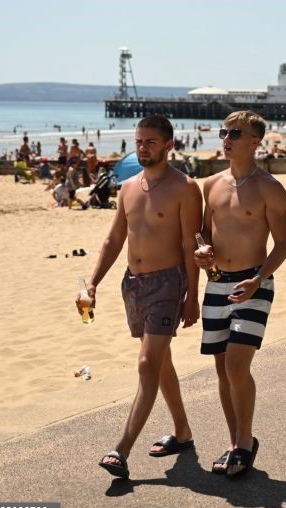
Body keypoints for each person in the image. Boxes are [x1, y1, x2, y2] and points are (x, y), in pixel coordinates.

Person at [79, 115, 203, 479]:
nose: (142, 147)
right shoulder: (128, 187)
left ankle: (121, 449)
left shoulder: (185, 187)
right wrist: (92, 283)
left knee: (147, 363)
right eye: (139, 141)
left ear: (169, 146)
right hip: (133, 284)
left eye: (150, 141)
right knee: (160, 362)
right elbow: (113, 239)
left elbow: (189, 245)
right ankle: (183, 432)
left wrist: (192, 296)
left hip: (168, 284)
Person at [195, 110, 286, 479]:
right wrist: (201, 251)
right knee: (222, 369)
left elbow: (282, 245)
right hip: (217, 282)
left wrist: (258, 278)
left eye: (236, 133)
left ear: (255, 142)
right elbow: (202, 233)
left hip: (254, 282)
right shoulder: (212, 185)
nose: (227, 138)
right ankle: (236, 440)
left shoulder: (270, 188)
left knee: (237, 366)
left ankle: (242, 444)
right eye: (224, 132)